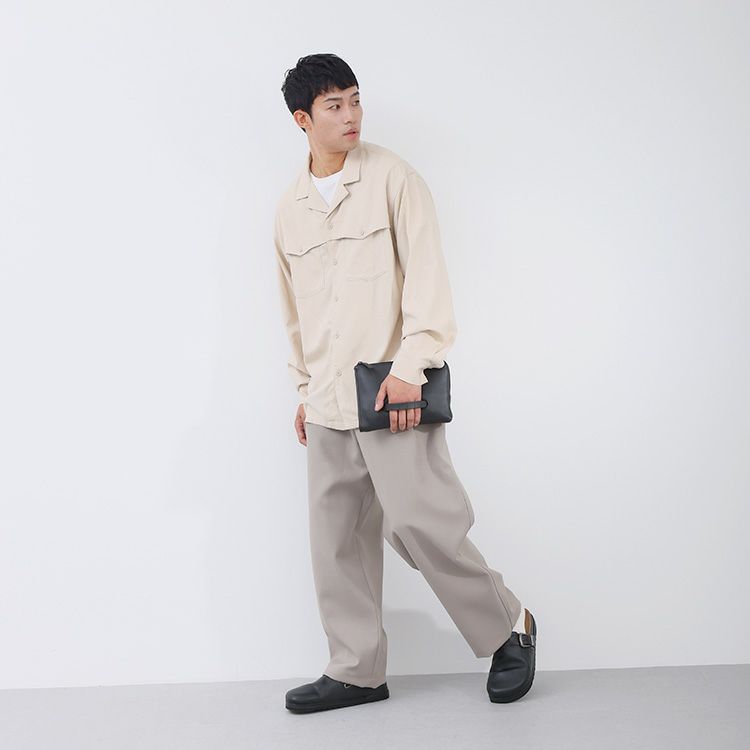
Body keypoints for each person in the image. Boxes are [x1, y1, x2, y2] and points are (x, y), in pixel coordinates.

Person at [273, 53, 537, 714]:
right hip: (328, 399)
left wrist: (409, 369)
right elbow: (294, 312)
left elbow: (428, 283)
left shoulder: (395, 180)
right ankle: (356, 669)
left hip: (392, 390)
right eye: (334, 105)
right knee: (336, 540)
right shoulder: (289, 209)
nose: (352, 115)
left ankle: (509, 626)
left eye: (356, 99)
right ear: (302, 119)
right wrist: (304, 391)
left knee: (421, 523)